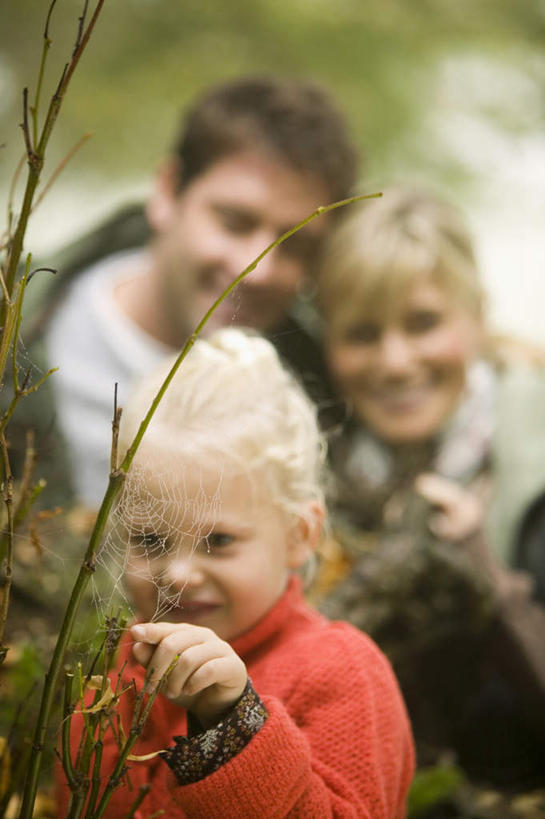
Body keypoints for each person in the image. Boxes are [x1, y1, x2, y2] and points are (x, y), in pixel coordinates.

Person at [56, 328, 415, 817]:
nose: (179, 574)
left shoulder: (339, 671)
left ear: (299, 535)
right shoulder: (119, 677)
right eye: (150, 540)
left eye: (219, 541)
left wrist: (231, 724)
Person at [17, 75, 358, 510]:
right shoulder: (22, 332)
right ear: (166, 191)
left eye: (293, 244)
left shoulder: (329, 391)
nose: (258, 269)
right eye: (235, 222)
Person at [315, 187, 545, 792]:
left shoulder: (533, 467)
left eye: (423, 323)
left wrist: (482, 567)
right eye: (362, 333)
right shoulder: (320, 469)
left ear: (476, 315)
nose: (394, 361)